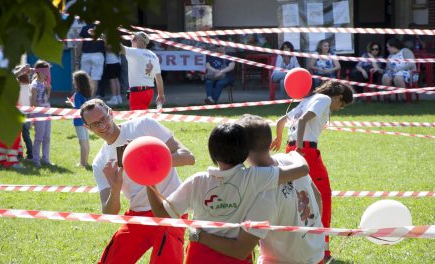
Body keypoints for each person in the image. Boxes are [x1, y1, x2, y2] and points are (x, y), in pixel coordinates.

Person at [147, 123, 309, 264]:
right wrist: (296, 154)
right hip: (235, 259)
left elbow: (162, 214)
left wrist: (148, 181)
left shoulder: (197, 181)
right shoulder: (255, 177)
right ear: (246, 152)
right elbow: (302, 170)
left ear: (212, 152)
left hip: (200, 257)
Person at [192, 114, 324, 264]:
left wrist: (199, 235)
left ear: (241, 147)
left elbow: (240, 250)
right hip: (316, 254)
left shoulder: (261, 194)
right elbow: (317, 196)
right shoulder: (292, 159)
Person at [80, 99, 195, 264]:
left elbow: (188, 157)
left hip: (170, 210)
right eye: (95, 124)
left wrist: (150, 161)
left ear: (111, 113)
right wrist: (115, 188)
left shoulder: (143, 126)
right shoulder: (101, 162)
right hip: (138, 216)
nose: (102, 125)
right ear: (87, 128)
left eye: (104, 118)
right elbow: (109, 213)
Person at [271, 81, 354, 260]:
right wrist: (300, 148)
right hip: (305, 151)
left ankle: (299, 245)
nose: (339, 108)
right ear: (339, 97)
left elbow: (280, 121)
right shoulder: (323, 99)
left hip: (289, 150)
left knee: (297, 197)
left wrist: (279, 138)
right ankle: (323, 249)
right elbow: (303, 120)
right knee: (323, 196)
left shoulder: (307, 99)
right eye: (342, 104)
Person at [121, 32, 165, 110]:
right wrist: (160, 94)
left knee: (136, 119)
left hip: (138, 91)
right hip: (149, 91)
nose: (132, 41)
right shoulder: (153, 55)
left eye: (134, 39)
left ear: (141, 42)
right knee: (142, 117)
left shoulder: (134, 51)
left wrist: (104, 36)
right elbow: (158, 77)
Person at [66, 70, 92, 167]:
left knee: (82, 142)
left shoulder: (77, 94)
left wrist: (71, 104)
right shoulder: (87, 93)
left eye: (74, 80)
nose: (73, 82)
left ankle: (82, 163)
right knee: (86, 141)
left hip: (79, 121)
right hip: (86, 120)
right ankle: (86, 161)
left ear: (78, 82)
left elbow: (77, 109)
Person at [30, 60, 53, 167]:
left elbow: (46, 99)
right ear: (38, 72)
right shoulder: (34, 85)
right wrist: (41, 109)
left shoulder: (45, 84)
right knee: (39, 137)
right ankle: (36, 160)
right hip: (39, 113)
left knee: (47, 137)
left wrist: (48, 90)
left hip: (47, 111)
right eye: (45, 72)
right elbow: (33, 102)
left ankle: (46, 158)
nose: (48, 74)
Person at [79, 23, 105, 97]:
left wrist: (77, 56)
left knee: (84, 78)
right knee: (95, 79)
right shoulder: (102, 27)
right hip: (98, 54)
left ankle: (84, 97)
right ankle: (91, 98)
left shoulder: (84, 27)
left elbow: (80, 43)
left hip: (86, 55)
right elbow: (106, 42)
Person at [16, 64, 33, 161]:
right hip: (27, 113)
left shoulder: (18, 88)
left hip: (19, 113)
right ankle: (30, 153)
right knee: (26, 134)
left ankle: (19, 153)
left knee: (18, 135)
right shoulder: (29, 87)